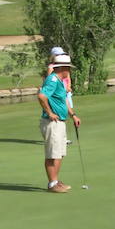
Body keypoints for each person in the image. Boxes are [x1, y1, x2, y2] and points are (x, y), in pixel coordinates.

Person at [37, 53, 80, 193]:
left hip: (61, 122)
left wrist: (73, 115)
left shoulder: (60, 81)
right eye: (68, 68)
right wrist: (50, 113)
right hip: (51, 122)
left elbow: (64, 100)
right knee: (52, 154)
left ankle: (56, 180)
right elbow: (42, 96)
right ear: (61, 67)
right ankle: (52, 184)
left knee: (60, 153)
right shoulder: (53, 80)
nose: (69, 71)